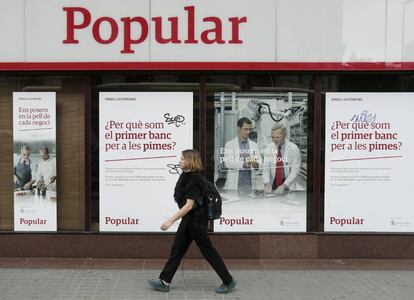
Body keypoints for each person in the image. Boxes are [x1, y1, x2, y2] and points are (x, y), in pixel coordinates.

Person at [148, 149, 236, 294]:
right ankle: (164, 281)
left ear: (190, 161)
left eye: (182, 159)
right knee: (177, 250)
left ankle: (228, 281)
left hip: (197, 221)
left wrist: (170, 221)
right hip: (189, 220)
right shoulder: (186, 176)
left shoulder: (194, 180)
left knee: (208, 251)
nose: (179, 161)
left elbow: (189, 205)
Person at [222, 117, 261, 193]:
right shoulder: (230, 144)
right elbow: (227, 163)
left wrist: (257, 165)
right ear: (238, 128)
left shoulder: (254, 145)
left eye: (250, 129)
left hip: (250, 184)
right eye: (245, 129)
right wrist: (244, 164)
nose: (248, 132)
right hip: (235, 184)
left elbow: (259, 161)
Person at [262, 124, 301, 195]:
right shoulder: (269, 148)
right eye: (273, 137)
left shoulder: (294, 149)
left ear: (285, 135)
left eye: (278, 137)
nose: (275, 140)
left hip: (288, 183)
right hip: (273, 182)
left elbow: (295, 171)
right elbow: (266, 167)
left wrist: (284, 185)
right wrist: (266, 182)